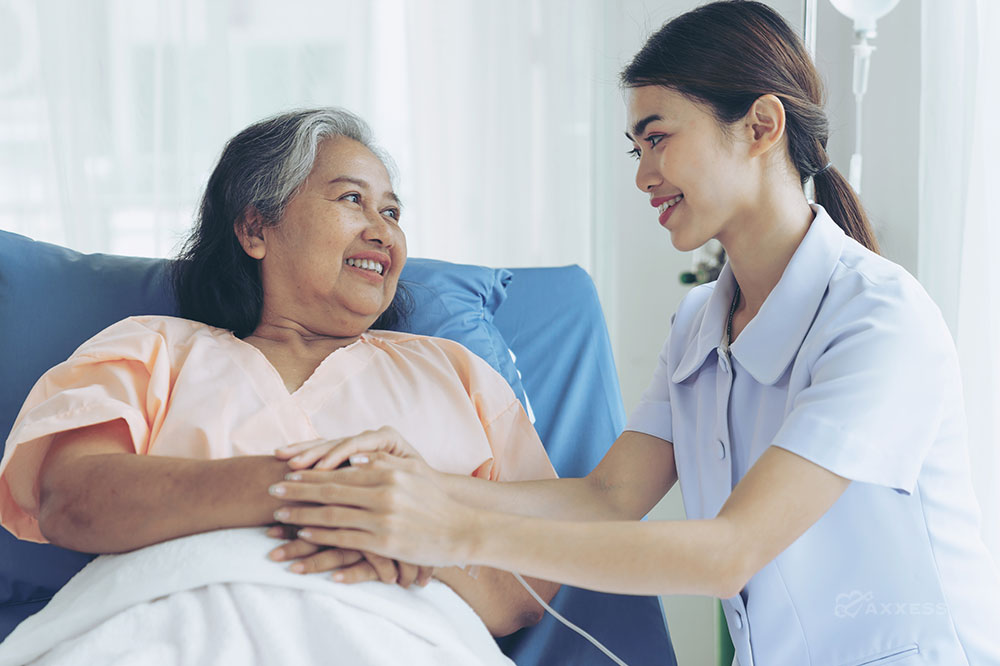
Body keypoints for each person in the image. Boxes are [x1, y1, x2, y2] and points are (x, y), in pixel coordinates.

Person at [261, 3, 1000, 665]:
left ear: (761, 127)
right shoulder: (700, 322)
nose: (643, 174)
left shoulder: (878, 320)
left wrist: (451, 532)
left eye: (658, 139)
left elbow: (728, 554)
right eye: (634, 149)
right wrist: (420, 485)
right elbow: (607, 496)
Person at [0, 108, 557, 663]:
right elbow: (72, 499)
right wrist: (321, 491)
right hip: (168, 632)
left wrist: (421, 539)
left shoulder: (454, 374)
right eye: (351, 199)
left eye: (392, 211)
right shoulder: (152, 348)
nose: (383, 229)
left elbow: (531, 581)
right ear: (254, 229)